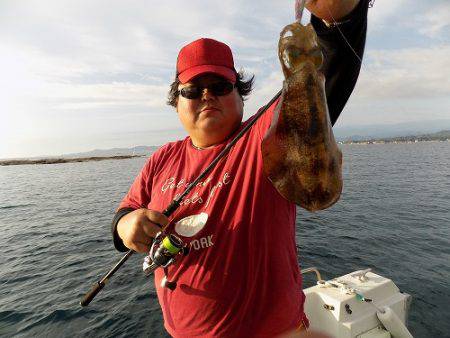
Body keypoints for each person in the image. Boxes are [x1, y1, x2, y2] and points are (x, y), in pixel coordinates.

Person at [112, 0, 369, 337]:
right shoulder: (162, 159)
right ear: (177, 102)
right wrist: (126, 226)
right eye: (192, 89)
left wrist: (339, 17)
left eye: (220, 87)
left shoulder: (265, 135)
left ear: (240, 95)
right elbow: (126, 211)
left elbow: (322, 81)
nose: (207, 96)